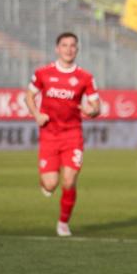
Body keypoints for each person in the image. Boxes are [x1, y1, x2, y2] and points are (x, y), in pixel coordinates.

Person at [25, 32, 101, 237]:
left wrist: (91, 110)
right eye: (64, 45)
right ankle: (46, 184)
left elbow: (96, 106)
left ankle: (63, 223)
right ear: (57, 49)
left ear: (77, 49)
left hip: (72, 135)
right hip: (49, 134)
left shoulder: (85, 77)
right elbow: (29, 95)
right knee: (50, 183)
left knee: (69, 181)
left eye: (73, 45)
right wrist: (36, 114)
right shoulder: (43, 73)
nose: (69, 49)